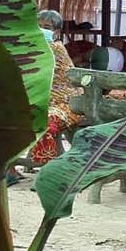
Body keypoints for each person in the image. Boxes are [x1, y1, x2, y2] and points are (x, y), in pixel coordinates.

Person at [26, 10, 84, 168]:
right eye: (38, 26)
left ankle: (47, 168)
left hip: (65, 103)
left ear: (56, 32)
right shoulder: (34, 48)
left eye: (46, 27)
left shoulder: (54, 49)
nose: (40, 30)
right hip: (44, 102)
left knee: (46, 122)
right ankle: (10, 169)